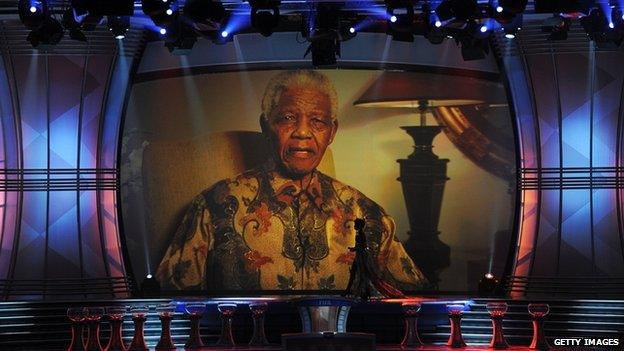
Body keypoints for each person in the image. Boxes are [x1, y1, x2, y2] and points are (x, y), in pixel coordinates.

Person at [156, 70, 427, 291]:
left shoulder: (365, 214)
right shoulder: (216, 206)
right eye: (287, 118)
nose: (302, 132)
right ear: (266, 125)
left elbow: (419, 305)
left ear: (331, 132)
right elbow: (168, 309)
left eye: (318, 121)